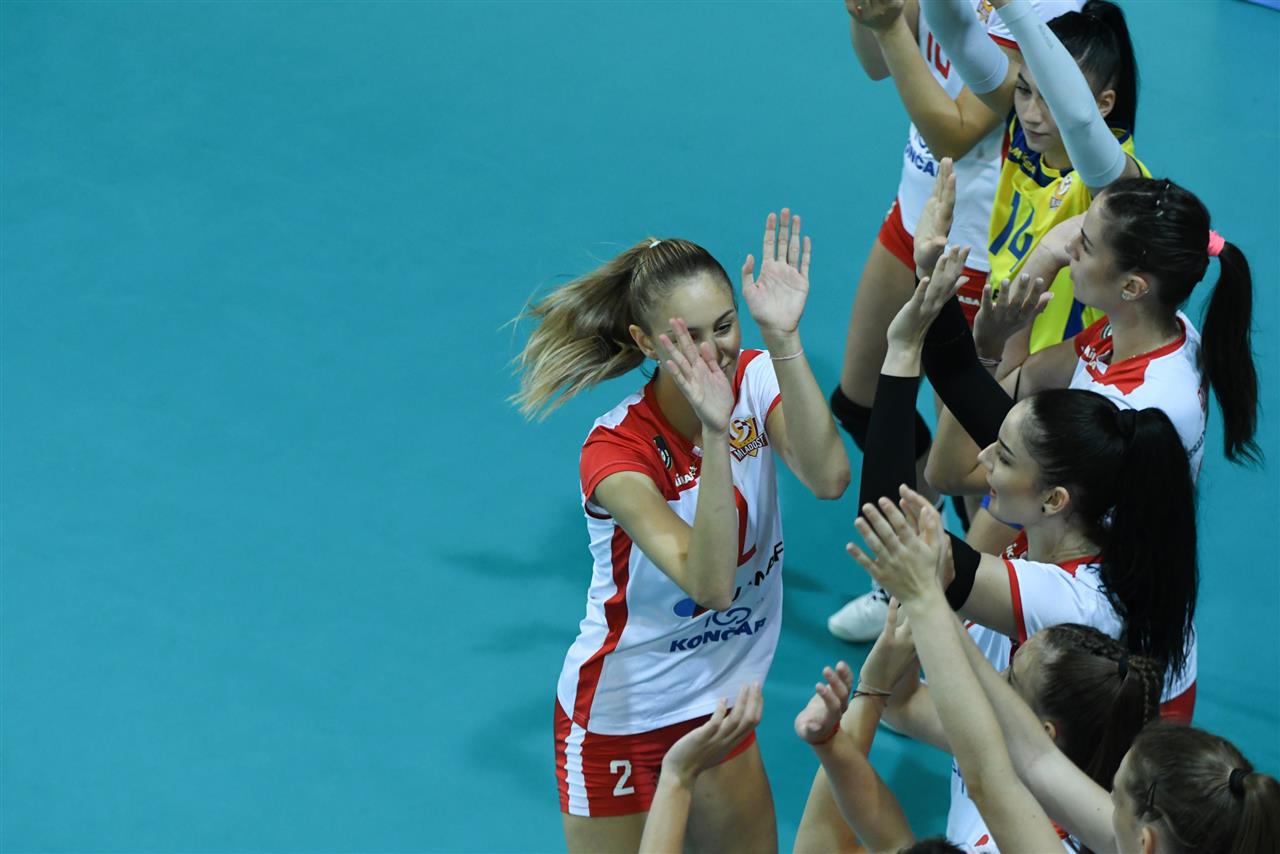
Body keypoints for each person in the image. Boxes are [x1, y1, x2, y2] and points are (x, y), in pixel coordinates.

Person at [513, 211, 850, 852]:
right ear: (646, 343)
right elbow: (711, 585)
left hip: (718, 700)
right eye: (687, 337)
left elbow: (829, 477)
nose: (713, 350)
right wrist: (717, 433)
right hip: (621, 715)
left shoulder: (755, 377)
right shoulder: (616, 452)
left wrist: (783, 339)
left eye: (724, 326)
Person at [829, 0, 1083, 642]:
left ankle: (952, 610)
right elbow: (877, 66)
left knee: (976, 459)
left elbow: (956, 129)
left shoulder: (1045, 8)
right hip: (917, 214)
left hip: (982, 248)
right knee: (861, 400)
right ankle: (919, 555)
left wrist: (888, 23)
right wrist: (868, 13)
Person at [846, 496, 1280, 853]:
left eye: (1113, 799)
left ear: (1145, 843)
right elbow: (1038, 758)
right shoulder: (1135, 835)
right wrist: (932, 603)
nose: (1101, 800)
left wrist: (926, 601)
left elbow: (990, 780)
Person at [925, 176, 1262, 551]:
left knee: (941, 572)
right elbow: (1014, 384)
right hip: (1081, 542)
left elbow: (950, 471)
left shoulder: (1118, 407)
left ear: (1132, 287)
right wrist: (1043, 257)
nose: (1068, 246)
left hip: (1081, 577)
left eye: (1085, 244)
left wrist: (986, 347)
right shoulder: (1151, 332)